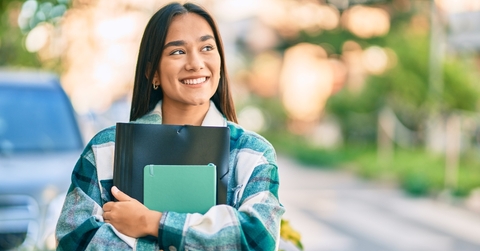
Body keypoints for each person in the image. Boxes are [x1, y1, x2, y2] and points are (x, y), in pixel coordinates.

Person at [55, 2, 285, 250]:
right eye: (177, 52)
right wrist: (208, 235)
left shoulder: (253, 154)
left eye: (207, 47)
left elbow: (257, 238)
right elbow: (74, 240)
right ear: (152, 71)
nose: (195, 63)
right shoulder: (106, 149)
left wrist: (152, 222)